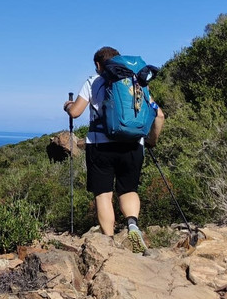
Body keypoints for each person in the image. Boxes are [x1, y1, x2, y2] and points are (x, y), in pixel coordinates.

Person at [63, 46, 165, 253]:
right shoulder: (136, 81)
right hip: (133, 144)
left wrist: (67, 106)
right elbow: (159, 115)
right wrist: (151, 141)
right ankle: (133, 225)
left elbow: (75, 112)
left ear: (98, 64)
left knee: (103, 194)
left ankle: (109, 244)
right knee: (128, 190)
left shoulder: (93, 81)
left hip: (100, 145)